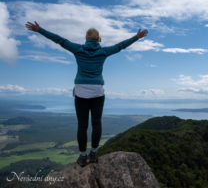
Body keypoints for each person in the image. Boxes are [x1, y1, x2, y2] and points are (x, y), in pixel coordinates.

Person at [25, 21, 148, 167]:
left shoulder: (78, 49)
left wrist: (40, 30)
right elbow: (120, 46)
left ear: (86, 38)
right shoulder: (103, 52)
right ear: (98, 39)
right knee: (97, 123)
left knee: (82, 126)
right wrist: (136, 37)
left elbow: (59, 40)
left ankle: (83, 156)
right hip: (97, 91)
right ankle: (94, 154)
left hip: (81, 92)